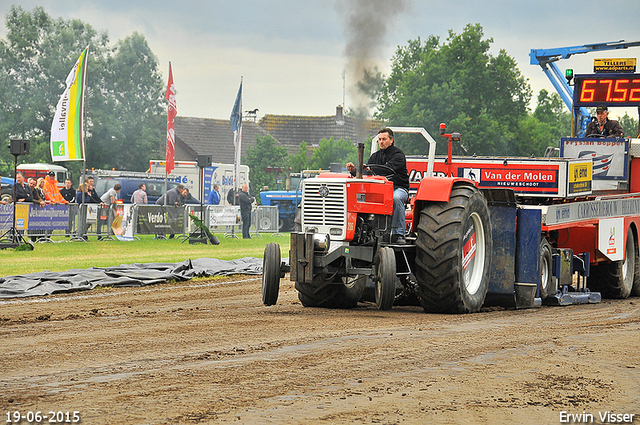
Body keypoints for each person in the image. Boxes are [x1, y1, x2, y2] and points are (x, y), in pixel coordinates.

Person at [346, 127, 410, 244]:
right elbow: (366, 174)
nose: (381, 141)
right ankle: (364, 230)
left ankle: (398, 233)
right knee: (360, 199)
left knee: (396, 198)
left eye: (384, 139)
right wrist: (355, 170)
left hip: (398, 188)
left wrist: (371, 168)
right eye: (379, 139)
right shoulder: (375, 156)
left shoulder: (398, 155)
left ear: (391, 140)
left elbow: (389, 168)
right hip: (380, 189)